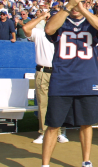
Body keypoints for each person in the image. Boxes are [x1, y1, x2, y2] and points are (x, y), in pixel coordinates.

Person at [35, 0, 98, 167]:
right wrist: (68, 6)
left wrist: (83, 9)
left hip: (87, 81)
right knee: (53, 125)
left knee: (87, 123)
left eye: (80, 2)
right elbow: (50, 29)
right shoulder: (61, 20)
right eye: (75, 1)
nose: (77, 5)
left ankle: (86, 162)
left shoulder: (90, 22)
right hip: (62, 80)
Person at [22, 11, 69, 144]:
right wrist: (41, 17)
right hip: (43, 71)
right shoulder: (39, 33)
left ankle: (59, 132)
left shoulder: (63, 35)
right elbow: (25, 28)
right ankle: (43, 132)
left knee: (59, 104)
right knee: (43, 104)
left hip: (59, 72)